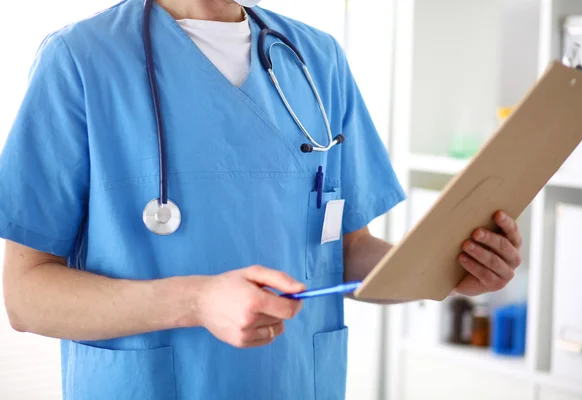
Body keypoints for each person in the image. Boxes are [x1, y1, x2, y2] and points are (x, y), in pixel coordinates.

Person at [0, 0, 523, 399]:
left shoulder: (317, 61)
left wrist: (443, 270)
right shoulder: (80, 61)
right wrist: (196, 301)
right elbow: (25, 296)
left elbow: (340, 253)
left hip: (293, 381)